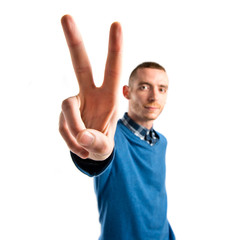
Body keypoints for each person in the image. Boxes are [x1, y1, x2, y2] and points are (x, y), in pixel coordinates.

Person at [59, 15, 175, 240]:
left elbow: (155, 201)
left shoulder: (161, 142)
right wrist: (92, 152)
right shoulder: (112, 137)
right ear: (126, 92)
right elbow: (99, 157)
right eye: (144, 86)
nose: (154, 96)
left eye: (162, 89)